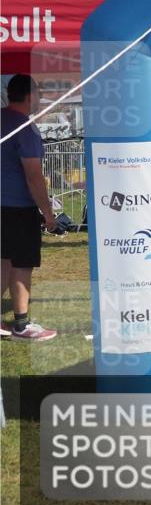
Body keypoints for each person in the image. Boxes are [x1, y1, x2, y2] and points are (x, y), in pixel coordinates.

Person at [1, 74, 57, 340]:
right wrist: (49, 215)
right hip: (18, 207)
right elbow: (34, 175)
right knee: (22, 265)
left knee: (3, 262)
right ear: (29, 96)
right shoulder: (25, 127)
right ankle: (22, 324)